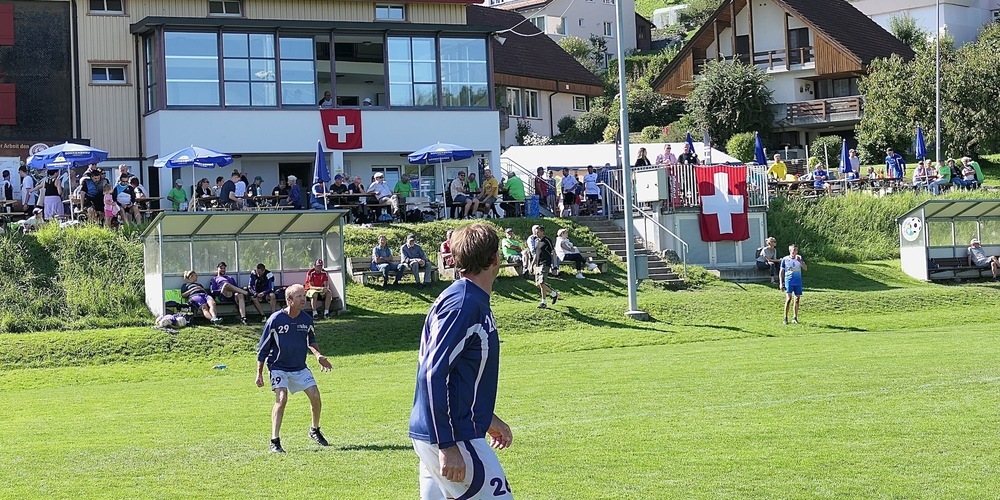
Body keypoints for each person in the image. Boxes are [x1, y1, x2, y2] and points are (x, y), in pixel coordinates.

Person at [409, 223, 514, 500]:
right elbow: (432, 375)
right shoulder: (464, 304)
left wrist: (487, 417)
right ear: (495, 258)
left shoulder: (467, 299)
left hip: (444, 431)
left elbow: (458, 374)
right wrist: (447, 444)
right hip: (454, 436)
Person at [255, 284, 333, 453]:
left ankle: (314, 430)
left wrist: (318, 356)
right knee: (282, 399)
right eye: (299, 296)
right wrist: (259, 373)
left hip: (299, 367)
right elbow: (263, 350)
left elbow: (311, 341)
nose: (303, 299)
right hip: (278, 367)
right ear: (289, 300)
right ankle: (274, 442)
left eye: (304, 296)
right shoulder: (275, 320)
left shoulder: (306, 319)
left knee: (315, 396)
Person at [531, 224, 560, 308]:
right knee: (538, 284)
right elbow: (536, 254)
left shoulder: (547, 240)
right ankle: (554, 294)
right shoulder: (536, 241)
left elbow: (553, 253)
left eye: (538, 232)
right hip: (538, 264)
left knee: (541, 282)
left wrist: (554, 266)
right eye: (535, 232)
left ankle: (543, 302)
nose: (536, 234)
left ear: (542, 232)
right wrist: (532, 264)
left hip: (545, 263)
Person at [778, 244, 808, 325]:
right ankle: (785, 317)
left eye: (796, 250)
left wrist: (800, 261)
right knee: (788, 299)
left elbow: (805, 268)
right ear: (790, 250)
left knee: (797, 299)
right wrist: (781, 283)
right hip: (789, 281)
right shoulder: (785, 259)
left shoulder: (799, 258)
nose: (795, 252)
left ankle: (795, 317)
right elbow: (781, 271)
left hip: (797, 281)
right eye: (793, 250)